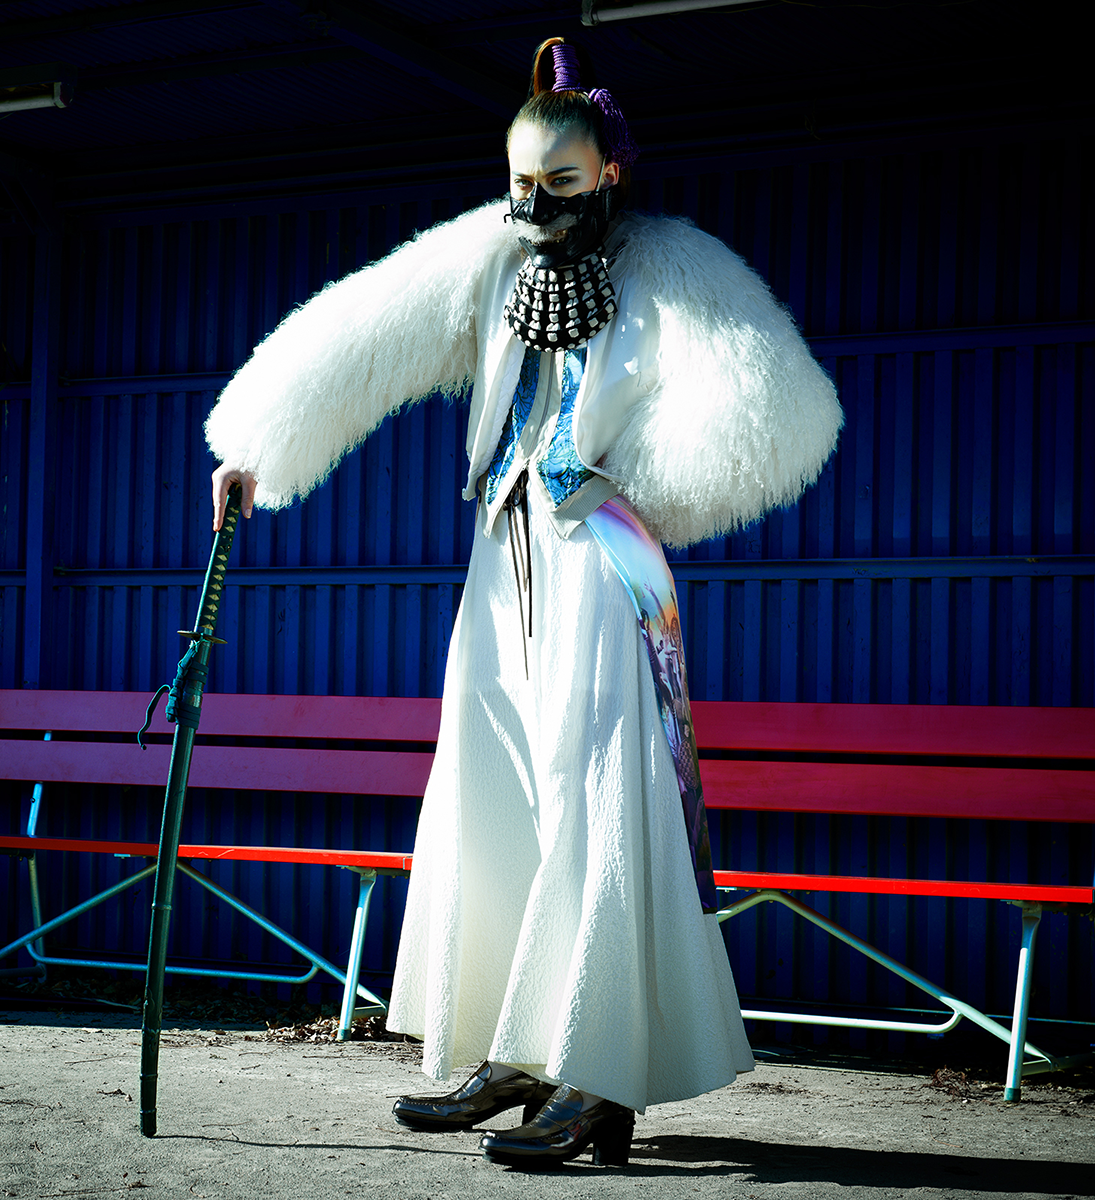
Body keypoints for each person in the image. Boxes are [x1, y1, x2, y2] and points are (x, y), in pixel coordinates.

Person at [204, 38, 841, 1168]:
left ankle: (599, 1073)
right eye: (520, 181)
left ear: (610, 174)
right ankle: (520, 1049)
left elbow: (781, 409)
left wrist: (639, 493)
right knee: (496, 779)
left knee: (598, 787)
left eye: (560, 180)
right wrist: (257, 448)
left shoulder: (677, 266)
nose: (535, 202)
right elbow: (367, 332)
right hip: (501, 551)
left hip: (603, 551)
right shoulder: (491, 258)